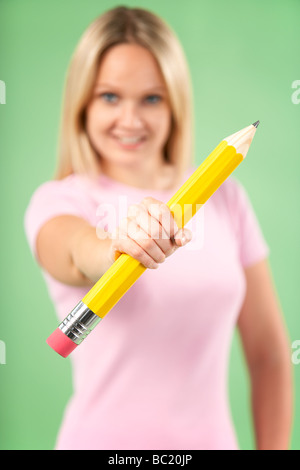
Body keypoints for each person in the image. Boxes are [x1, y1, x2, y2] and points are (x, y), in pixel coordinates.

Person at [24, 6, 293, 450]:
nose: (130, 120)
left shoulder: (224, 198)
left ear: (175, 103)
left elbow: (268, 355)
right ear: (82, 102)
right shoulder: (61, 200)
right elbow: (73, 250)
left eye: (151, 98)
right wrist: (114, 246)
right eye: (109, 96)